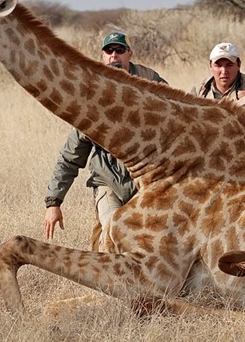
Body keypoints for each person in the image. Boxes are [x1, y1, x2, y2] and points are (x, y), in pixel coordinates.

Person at [43, 31, 166, 250]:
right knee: (114, 230)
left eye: (119, 50)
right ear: (103, 55)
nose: (114, 55)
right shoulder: (93, 101)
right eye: (109, 50)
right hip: (108, 181)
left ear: (129, 53)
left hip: (148, 181)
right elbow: (70, 157)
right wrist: (54, 202)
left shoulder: (152, 84)